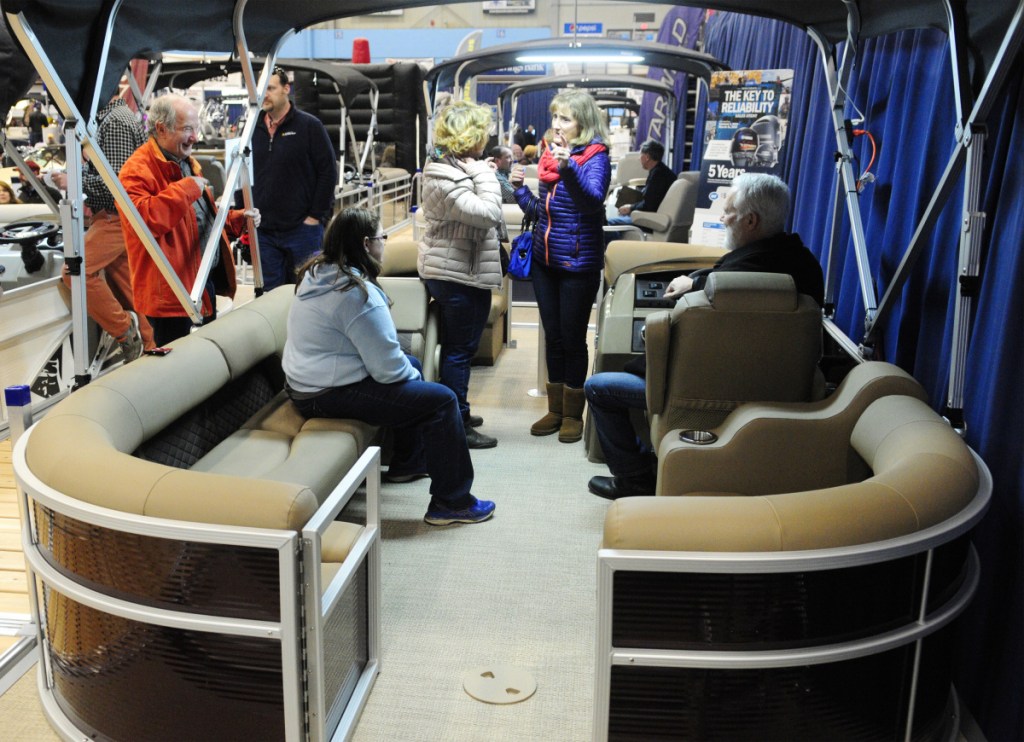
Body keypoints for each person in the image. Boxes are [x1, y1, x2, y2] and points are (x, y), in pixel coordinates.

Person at [584, 173, 825, 500]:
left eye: (728, 212)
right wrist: (699, 279)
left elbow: (678, 341)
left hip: (698, 395)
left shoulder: (722, 287)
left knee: (599, 388)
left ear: (751, 220)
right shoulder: (806, 267)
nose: (723, 219)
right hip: (779, 396)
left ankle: (634, 478)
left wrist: (692, 283)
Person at [283, 208, 495, 526]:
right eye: (383, 237)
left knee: (413, 368)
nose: (385, 242)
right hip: (323, 393)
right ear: (367, 244)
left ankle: (409, 461)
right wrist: (417, 383)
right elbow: (389, 372)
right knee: (441, 400)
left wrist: (412, 377)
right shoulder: (355, 294)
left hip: (305, 384)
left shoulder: (319, 273)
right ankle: (452, 502)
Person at [510, 89, 611, 443]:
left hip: (578, 264)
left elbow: (592, 204)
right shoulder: (551, 158)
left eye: (565, 118)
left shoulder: (595, 156)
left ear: (582, 122)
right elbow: (543, 213)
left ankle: (573, 414)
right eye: (555, 117)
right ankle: (554, 410)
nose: (556, 125)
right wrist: (519, 191)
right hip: (545, 260)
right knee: (552, 337)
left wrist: (569, 168)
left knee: (572, 338)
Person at [119, 94, 258, 346]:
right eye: (187, 129)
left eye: (195, 128)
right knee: (177, 375)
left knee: (205, 358)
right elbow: (146, 221)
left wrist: (237, 220)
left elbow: (198, 218)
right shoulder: (135, 171)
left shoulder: (186, 163)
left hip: (200, 284)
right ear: (161, 128)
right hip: (171, 298)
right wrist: (186, 188)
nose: (195, 137)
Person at [419, 100, 504, 449]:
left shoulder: (450, 168)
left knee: (460, 349)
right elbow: (488, 213)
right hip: (457, 274)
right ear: (470, 137)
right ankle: (457, 422)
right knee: (459, 351)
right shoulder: (445, 177)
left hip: (458, 268)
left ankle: (459, 411)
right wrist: (485, 173)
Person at [52, 89, 154, 361]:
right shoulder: (112, 119)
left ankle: (125, 331)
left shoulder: (115, 121)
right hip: (117, 218)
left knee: (75, 271)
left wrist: (72, 181)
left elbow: (115, 186)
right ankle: (150, 344)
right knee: (131, 289)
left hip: (115, 217)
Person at [251, 66, 338, 290]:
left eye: (270, 88)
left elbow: (328, 172)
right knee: (269, 296)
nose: (264, 95)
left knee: (308, 292)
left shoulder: (309, 126)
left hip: (302, 230)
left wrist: (315, 216)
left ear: (286, 89)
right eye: (261, 90)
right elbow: (245, 172)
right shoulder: (252, 129)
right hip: (264, 233)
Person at [607, 139, 675, 231]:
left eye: (640, 154)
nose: (639, 158)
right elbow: (652, 197)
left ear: (647, 157)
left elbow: (649, 205)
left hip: (649, 220)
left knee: (608, 223)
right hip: (656, 216)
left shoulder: (658, 175)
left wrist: (630, 207)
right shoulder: (662, 171)